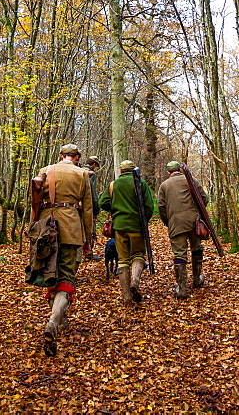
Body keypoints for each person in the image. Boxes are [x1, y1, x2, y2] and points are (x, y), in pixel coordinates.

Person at [31, 143, 93, 356]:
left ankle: (60, 320)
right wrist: (87, 238)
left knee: (51, 275)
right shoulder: (83, 174)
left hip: (46, 229)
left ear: (61, 156)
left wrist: (33, 228)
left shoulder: (45, 170)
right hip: (71, 229)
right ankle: (53, 323)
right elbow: (87, 209)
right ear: (76, 158)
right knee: (66, 278)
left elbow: (35, 202)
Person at [99, 160, 153, 307]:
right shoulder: (141, 183)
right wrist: (143, 220)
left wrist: (115, 208)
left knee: (122, 260)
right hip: (136, 226)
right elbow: (149, 206)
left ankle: (126, 297)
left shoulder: (113, 184)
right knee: (138, 255)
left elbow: (102, 202)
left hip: (119, 226)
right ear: (133, 170)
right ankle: (135, 282)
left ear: (121, 171)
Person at [156, 161, 207, 299]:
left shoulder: (164, 185)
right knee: (197, 249)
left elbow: (161, 207)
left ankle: (182, 289)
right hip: (194, 223)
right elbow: (204, 198)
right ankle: (197, 280)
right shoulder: (192, 180)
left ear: (168, 173)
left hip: (176, 224)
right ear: (180, 170)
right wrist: (198, 213)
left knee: (179, 255)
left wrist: (168, 221)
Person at [81, 156, 103, 261]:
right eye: (96, 165)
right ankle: (88, 254)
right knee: (90, 231)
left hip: (76, 208)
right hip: (88, 207)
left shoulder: (78, 170)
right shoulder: (91, 174)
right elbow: (92, 192)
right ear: (93, 164)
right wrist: (96, 208)